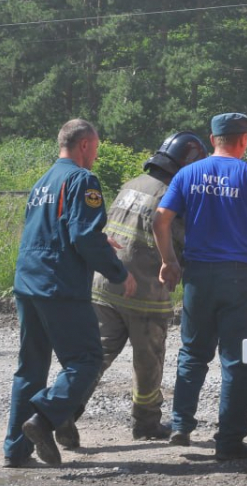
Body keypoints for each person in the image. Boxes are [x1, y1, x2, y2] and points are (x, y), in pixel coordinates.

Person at [58, 132, 209, 448]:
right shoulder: (172, 195)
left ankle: (64, 413)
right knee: (148, 361)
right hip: (143, 291)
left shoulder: (132, 185)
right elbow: (182, 242)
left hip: (104, 284)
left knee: (95, 358)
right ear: (187, 164)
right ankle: (146, 423)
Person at [3, 118, 136, 468]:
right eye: (95, 148)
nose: (95, 155)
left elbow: (57, 229)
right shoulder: (82, 179)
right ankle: (45, 418)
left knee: (30, 369)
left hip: (28, 282)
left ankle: (16, 452)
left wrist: (94, 240)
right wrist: (118, 272)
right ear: (84, 145)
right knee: (87, 360)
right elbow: (84, 238)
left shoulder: (43, 181)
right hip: (58, 285)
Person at [154, 112, 247, 461]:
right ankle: (229, 440)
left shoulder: (187, 174)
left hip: (198, 276)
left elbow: (160, 220)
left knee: (193, 353)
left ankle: (181, 425)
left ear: (212, 140)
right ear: (244, 140)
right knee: (237, 360)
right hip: (238, 276)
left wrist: (169, 261)